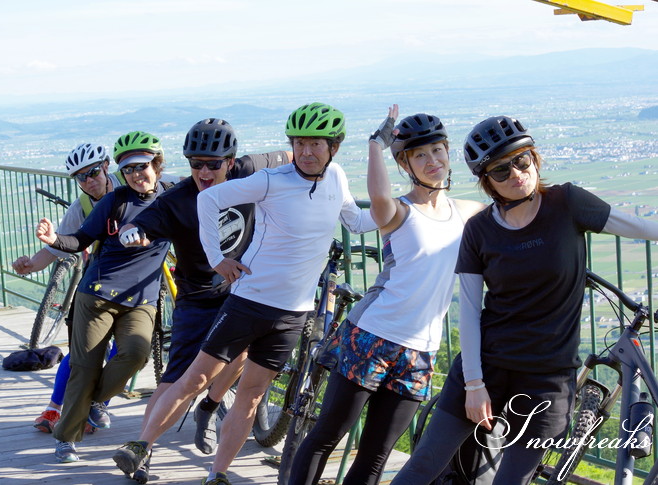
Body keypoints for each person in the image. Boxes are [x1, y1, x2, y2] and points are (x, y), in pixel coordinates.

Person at [111, 102, 377, 485]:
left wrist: (406, 206)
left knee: (251, 395)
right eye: (299, 143)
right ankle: (141, 445)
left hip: (293, 313)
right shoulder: (272, 180)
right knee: (195, 379)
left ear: (333, 146)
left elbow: (356, 219)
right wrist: (218, 259)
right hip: (248, 301)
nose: (306, 151)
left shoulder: (336, 176)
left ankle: (218, 473)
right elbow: (208, 199)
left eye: (315, 143)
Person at [391, 116, 658, 485]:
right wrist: (473, 385)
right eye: (501, 170)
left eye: (522, 160)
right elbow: (469, 312)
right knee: (422, 467)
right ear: (487, 182)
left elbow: (642, 227)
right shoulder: (479, 230)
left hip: (547, 377)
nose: (516, 173)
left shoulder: (568, 203)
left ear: (534, 158)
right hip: (486, 367)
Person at [288, 106, 485, 485]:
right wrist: (376, 145)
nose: (432, 161)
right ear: (405, 164)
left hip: (420, 351)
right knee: (328, 435)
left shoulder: (467, 212)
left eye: (438, 151)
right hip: (372, 335)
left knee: (377, 454)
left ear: (448, 153)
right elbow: (377, 196)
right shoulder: (399, 212)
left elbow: (509, 206)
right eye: (419, 155)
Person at [113, 118, 292, 483]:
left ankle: (209, 407)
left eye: (213, 164)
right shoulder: (177, 201)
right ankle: (141, 452)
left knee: (242, 355)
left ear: (231, 161)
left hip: (242, 294)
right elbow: (140, 226)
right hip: (197, 299)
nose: (205, 172)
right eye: (196, 164)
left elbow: (293, 154)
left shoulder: (249, 170)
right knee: (175, 380)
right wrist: (131, 234)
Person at [35, 131, 176, 464]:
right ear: (121, 172)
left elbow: (212, 185)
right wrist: (55, 238)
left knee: (136, 354)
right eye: (128, 170)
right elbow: (81, 239)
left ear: (156, 165)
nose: (136, 175)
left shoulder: (173, 195)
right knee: (84, 367)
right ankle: (66, 439)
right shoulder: (115, 201)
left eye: (142, 167)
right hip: (97, 296)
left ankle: (94, 403)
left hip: (140, 299)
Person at [12, 143, 125, 434]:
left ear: (106, 166)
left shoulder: (133, 186)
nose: (88, 180)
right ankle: (53, 409)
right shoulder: (82, 207)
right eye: (80, 177)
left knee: (126, 349)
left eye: (92, 172)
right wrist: (31, 264)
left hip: (137, 280)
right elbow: (60, 245)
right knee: (81, 348)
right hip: (99, 279)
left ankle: (96, 407)